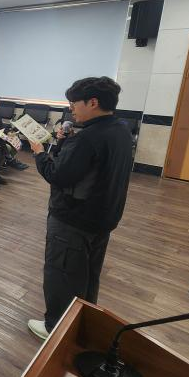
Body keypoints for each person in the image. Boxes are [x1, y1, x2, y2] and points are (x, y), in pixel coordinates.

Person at [27, 77, 132, 340]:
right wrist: (65, 143)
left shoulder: (88, 138)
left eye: (74, 103)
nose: (71, 108)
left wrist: (39, 153)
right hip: (103, 217)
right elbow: (88, 167)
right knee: (88, 274)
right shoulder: (120, 129)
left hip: (73, 220)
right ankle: (84, 320)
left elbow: (58, 175)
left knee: (62, 274)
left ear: (93, 102)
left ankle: (56, 328)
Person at [0, 93, 29, 170]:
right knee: (0, 140)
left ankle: (8, 160)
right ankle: (10, 160)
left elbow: (0, 124)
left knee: (13, 137)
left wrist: (8, 131)